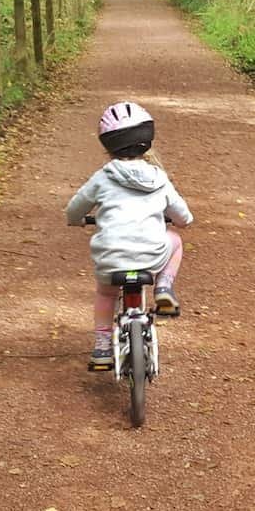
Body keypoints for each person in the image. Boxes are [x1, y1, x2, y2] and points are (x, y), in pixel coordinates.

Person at [66, 101, 193, 368]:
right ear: (147, 140)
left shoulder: (102, 177)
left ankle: (102, 347)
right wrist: (181, 221)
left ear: (108, 145)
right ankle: (163, 288)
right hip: (152, 255)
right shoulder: (158, 178)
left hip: (112, 258)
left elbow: (75, 208)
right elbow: (183, 217)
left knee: (106, 294)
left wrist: (76, 220)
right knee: (176, 241)